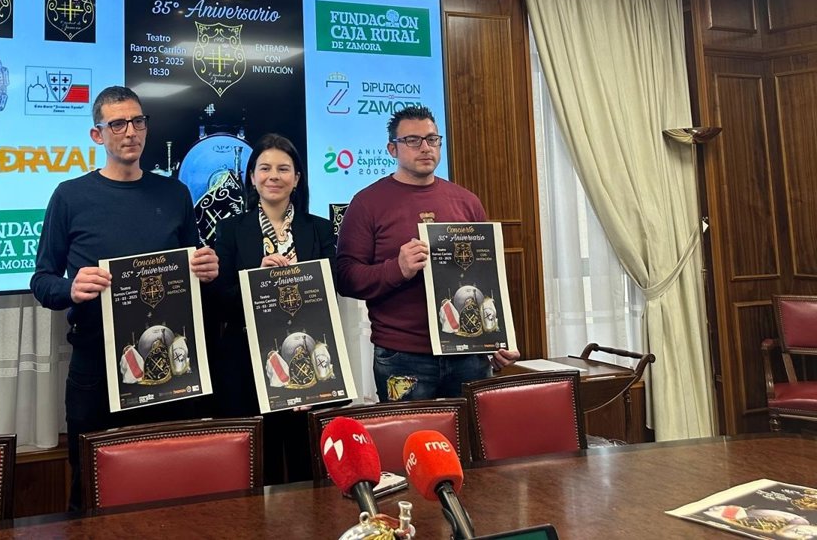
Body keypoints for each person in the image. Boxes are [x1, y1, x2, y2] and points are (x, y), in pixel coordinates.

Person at [31, 85, 218, 511]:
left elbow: (193, 268)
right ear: (97, 134)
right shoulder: (69, 196)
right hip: (95, 364)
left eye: (138, 121)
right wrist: (70, 288)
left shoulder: (175, 194)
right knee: (91, 486)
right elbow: (41, 280)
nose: (130, 132)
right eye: (117, 124)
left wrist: (207, 269)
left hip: (169, 364)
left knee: (165, 484)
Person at [336, 105, 520, 402]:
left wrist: (496, 337)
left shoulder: (467, 202)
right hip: (402, 356)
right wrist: (397, 268)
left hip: (468, 353)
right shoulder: (366, 203)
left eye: (432, 139)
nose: (425, 147)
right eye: (412, 140)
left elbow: (486, 278)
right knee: (410, 432)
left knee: (471, 432)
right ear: (392, 149)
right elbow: (346, 278)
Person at [208, 132, 335, 484]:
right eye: (264, 168)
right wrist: (257, 280)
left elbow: (331, 290)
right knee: (255, 471)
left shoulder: (319, 229)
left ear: (297, 178)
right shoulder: (230, 230)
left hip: (305, 363)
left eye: (283, 168)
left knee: (305, 470)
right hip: (244, 365)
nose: (273, 176)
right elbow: (218, 298)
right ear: (252, 177)